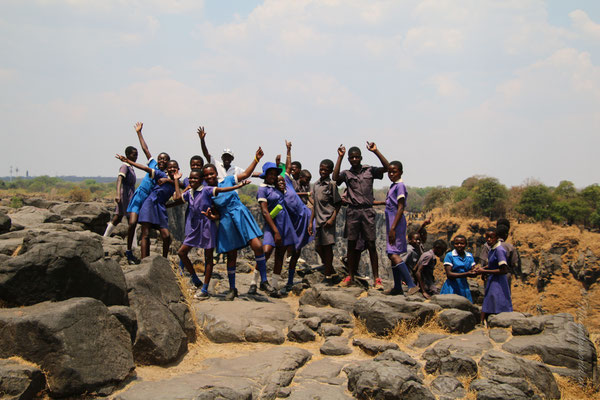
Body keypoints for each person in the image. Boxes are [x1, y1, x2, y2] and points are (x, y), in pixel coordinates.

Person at [209, 146, 278, 300]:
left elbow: (246, 174)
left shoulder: (227, 180)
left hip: (240, 213)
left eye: (212, 174)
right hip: (227, 220)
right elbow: (215, 212)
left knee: (258, 246)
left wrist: (256, 159)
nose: (210, 177)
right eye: (207, 175)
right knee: (231, 255)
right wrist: (214, 217)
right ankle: (232, 288)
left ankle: (264, 281)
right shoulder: (208, 192)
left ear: (216, 173)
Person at [172, 165, 250, 298]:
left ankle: (205, 289)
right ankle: (195, 279)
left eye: (196, 178)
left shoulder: (206, 190)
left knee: (208, 258)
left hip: (207, 225)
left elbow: (222, 189)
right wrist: (175, 180)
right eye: (190, 178)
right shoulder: (189, 193)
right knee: (182, 252)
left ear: (201, 179)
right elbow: (177, 198)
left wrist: (237, 187)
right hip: (195, 226)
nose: (192, 180)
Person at [333, 142, 389, 288]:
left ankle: (377, 279)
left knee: (371, 244)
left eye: (357, 157)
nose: (355, 160)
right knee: (351, 244)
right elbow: (335, 178)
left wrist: (376, 151)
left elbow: (388, 168)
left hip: (367, 211)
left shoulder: (369, 170)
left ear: (361, 157)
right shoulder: (347, 173)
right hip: (353, 211)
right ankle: (350, 276)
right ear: (349, 159)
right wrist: (339, 157)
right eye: (352, 158)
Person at [122, 122, 170, 264]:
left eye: (164, 159)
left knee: (146, 231)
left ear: (168, 162)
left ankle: (145, 259)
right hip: (141, 195)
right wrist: (139, 133)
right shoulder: (152, 164)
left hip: (149, 200)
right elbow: (145, 148)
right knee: (132, 223)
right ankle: (129, 250)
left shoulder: (165, 175)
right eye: (160, 158)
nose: (161, 160)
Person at [254, 161, 299, 294]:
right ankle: (255, 282)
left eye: (275, 174)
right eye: (270, 174)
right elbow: (265, 211)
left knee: (280, 256)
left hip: (285, 225)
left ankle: (274, 286)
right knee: (266, 252)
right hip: (273, 226)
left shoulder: (278, 188)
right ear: (266, 175)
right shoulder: (263, 189)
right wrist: (275, 231)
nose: (273, 176)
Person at [384, 161, 419, 296]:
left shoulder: (400, 186)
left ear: (401, 172)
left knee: (393, 254)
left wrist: (393, 228)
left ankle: (411, 284)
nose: (391, 174)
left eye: (394, 171)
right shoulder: (393, 186)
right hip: (391, 222)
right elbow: (391, 202)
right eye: (389, 172)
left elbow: (400, 207)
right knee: (390, 253)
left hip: (396, 223)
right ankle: (398, 287)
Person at [308, 159, 342, 286]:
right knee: (318, 248)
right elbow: (315, 206)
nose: (322, 171)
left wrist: (332, 219)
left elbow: (338, 203)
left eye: (325, 170)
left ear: (330, 171)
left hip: (327, 221)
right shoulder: (316, 185)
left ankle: (328, 276)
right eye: (321, 169)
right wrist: (311, 222)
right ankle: (332, 272)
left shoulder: (331, 185)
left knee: (327, 249)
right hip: (318, 221)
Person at [473, 227, 513, 325]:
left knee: (496, 301)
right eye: (487, 237)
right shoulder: (492, 249)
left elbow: (504, 269)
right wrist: (483, 269)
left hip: (498, 281)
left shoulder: (499, 250)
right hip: (493, 279)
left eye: (491, 237)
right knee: (489, 300)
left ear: (497, 238)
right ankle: (483, 322)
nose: (489, 240)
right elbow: (492, 264)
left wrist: (486, 270)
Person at [104, 145, 137, 238]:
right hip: (125, 194)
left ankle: (105, 237)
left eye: (136, 155)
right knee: (130, 218)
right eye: (134, 155)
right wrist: (118, 194)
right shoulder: (124, 166)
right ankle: (105, 237)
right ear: (128, 155)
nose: (136, 157)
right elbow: (119, 180)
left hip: (129, 193)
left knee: (120, 217)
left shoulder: (131, 167)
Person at [440, 235, 476, 301]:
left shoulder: (469, 256)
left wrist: (475, 272)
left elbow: (473, 272)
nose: (459, 245)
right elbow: (449, 274)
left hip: (463, 286)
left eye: (462, 243)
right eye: (457, 243)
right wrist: (467, 273)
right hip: (452, 286)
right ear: (453, 244)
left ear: (465, 244)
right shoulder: (450, 255)